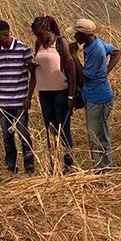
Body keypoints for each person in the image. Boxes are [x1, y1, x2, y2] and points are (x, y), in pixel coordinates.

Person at [0, 20, 36, 175]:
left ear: (6, 35)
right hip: (3, 101)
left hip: (20, 100)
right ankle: (11, 166)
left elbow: (32, 73)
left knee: (23, 134)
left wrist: (28, 98)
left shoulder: (23, 49)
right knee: (7, 135)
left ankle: (29, 166)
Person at [72, 18, 121, 170]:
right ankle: (102, 166)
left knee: (97, 135)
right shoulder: (95, 43)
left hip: (98, 98)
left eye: (77, 34)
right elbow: (116, 52)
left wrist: (74, 56)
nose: (75, 37)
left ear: (85, 35)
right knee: (98, 133)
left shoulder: (96, 51)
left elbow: (86, 76)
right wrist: (106, 71)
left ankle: (103, 168)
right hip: (95, 95)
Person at [31, 16, 77, 170]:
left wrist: (71, 95)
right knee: (49, 127)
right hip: (44, 92)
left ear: (48, 30)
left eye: (40, 34)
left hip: (60, 92)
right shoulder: (39, 44)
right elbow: (37, 68)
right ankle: (53, 162)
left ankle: (68, 163)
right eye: (36, 35)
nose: (39, 37)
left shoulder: (60, 42)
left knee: (63, 128)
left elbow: (71, 69)